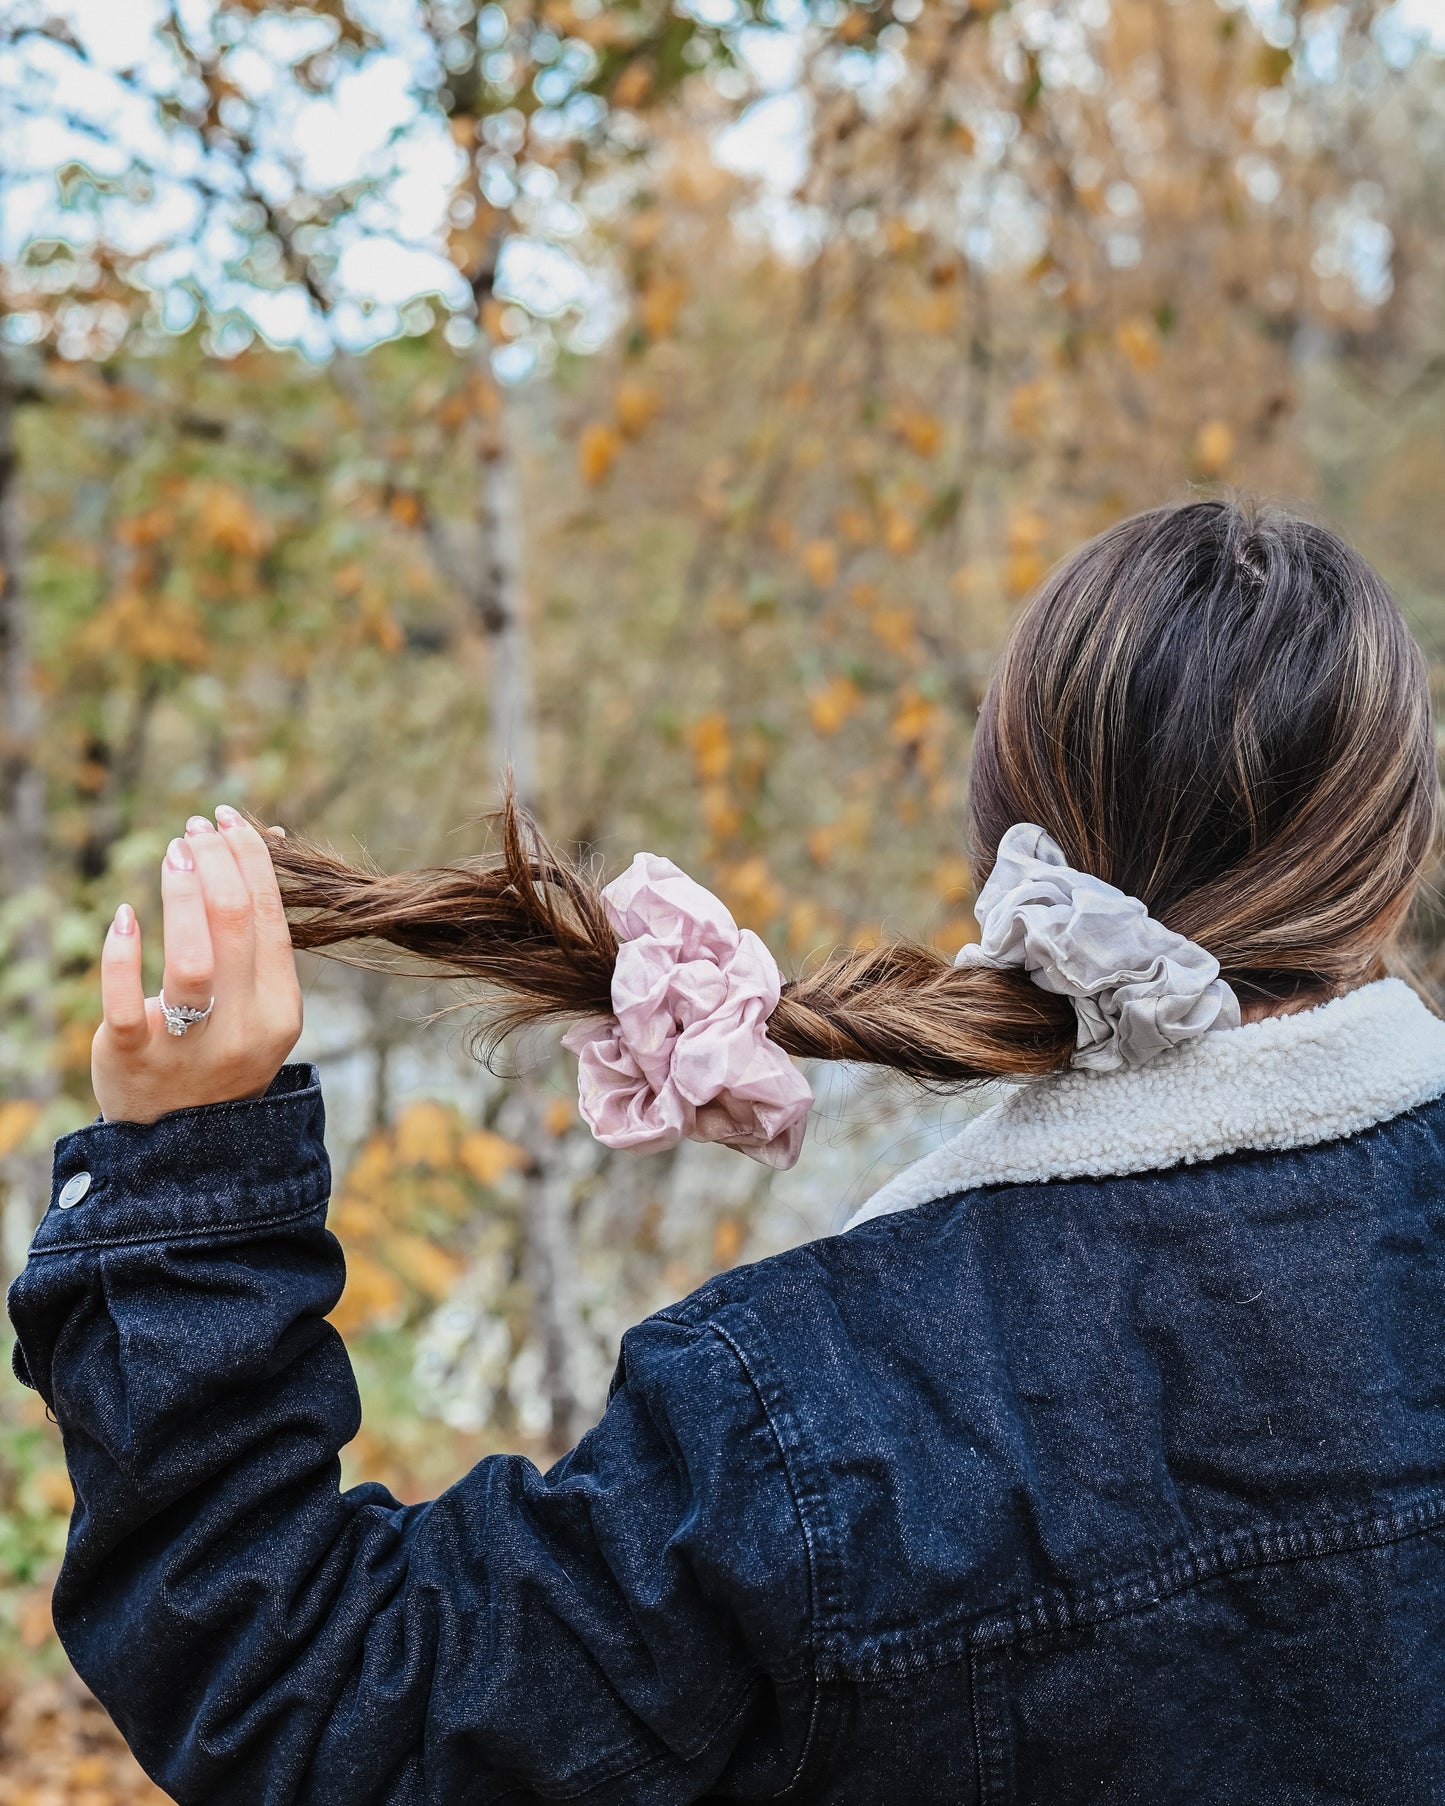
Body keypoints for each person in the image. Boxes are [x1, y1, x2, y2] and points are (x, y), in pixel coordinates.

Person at [9, 497, 1445, 1805]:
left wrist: (183, 1176)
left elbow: (318, 1703)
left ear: (1002, 833)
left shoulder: (819, 1420)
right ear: (1395, 856)